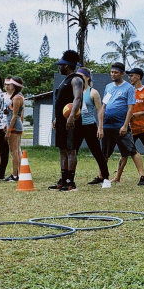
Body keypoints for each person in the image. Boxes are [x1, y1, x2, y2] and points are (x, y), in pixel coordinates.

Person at [102, 62, 144, 186]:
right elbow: (104, 106)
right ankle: (101, 176)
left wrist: (124, 125)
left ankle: (143, 177)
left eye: (116, 72)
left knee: (132, 150)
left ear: (122, 73)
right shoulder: (108, 87)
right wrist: (100, 125)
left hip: (120, 125)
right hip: (107, 125)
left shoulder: (128, 88)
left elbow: (130, 109)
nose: (113, 74)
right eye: (112, 72)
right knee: (104, 153)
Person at [50, 50, 85, 191]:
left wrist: (71, 117)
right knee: (62, 150)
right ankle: (63, 179)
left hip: (71, 121)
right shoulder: (65, 80)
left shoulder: (76, 79)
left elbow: (77, 99)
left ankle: (70, 181)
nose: (59, 67)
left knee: (71, 150)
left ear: (66, 66)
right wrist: (56, 118)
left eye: (61, 65)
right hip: (61, 121)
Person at [72, 68, 112, 188]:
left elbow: (100, 110)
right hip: (77, 126)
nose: (78, 78)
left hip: (89, 125)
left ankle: (105, 178)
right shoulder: (73, 91)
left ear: (87, 77)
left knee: (97, 153)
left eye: (81, 76)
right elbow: (68, 108)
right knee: (72, 152)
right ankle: (69, 178)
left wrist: (100, 127)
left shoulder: (93, 92)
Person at [3, 76, 26, 182]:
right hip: (13, 125)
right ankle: (18, 173)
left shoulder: (17, 98)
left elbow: (15, 115)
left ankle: (15, 174)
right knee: (15, 150)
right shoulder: (15, 97)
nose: (8, 86)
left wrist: (9, 130)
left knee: (14, 151)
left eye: (10, 84)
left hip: (15, 126)